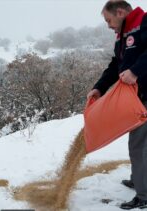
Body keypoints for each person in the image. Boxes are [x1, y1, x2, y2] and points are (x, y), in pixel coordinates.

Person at [87, 0, 147, 209]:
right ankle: (139, 179)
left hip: (145, 96)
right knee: (137, 142)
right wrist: (99, 87)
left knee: (139, 146)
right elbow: (116, 65)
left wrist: (136, 71)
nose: (108, 25)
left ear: (120, 12)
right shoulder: (123, 34)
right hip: (135, 97)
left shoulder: (144, 22)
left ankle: (144, 195)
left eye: (109, 20)